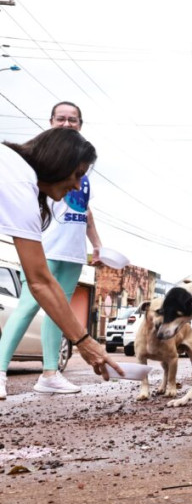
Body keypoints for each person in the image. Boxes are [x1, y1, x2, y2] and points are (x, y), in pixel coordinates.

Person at [1, 127, 123, 399]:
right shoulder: (20, 186)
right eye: (77, 174)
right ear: (58, 162)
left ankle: (47, 373)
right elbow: (40, 281)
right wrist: (84, 342)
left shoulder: (17, 173)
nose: (78, 186)